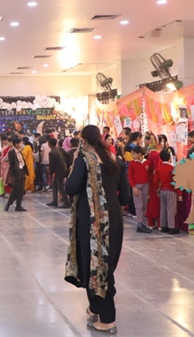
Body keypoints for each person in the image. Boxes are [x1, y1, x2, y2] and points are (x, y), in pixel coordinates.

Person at [65, 125, 129, 333]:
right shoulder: (116, 160)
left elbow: (70, 188)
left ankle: (108, 319)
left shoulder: (84, 160)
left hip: (91, 221)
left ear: (83, 141)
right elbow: (125, 197)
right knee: (104, 264)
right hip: (114, 220)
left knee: (94, 264)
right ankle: (95, 308)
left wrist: (75, 163)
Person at [128, 146, 152, 233]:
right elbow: (130, 175)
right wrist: (133, 186)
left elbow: (150, 174)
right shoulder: (132, 163)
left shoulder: (148, 162)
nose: (132, 156)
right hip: (137, 186)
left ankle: (141, 223)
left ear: (139, 154)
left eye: (134, 154)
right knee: (139, 205)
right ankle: (139, 224)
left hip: (146, 185)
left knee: (144, 204)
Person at [155, 150, 179, 234]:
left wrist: (157, 189)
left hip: (162, 190)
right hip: (171, 190)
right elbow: (176, 181)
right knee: (171, 209)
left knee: (163, 209)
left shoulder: (159, 168)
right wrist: (179, 193)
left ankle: (163, 226)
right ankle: (171, 227)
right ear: (170, 158)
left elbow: (155, 181)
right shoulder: (172, 168)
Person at [5, 137, 28, 212]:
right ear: (16, 144)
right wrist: (15, 172)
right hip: (16, 172)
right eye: (20, 143)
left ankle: (18, 205)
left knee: (21, 190)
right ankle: (9, 203)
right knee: (15, 189)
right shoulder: (11, 152)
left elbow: (22, 161)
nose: (21, 145)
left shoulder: (20, 151)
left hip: (22, 171)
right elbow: (12, 164)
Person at [47, 138, 70, 209]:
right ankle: (54, 200)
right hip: (63, 169)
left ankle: (66, 202)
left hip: (57, 171)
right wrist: (67, 164)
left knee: (60, 186)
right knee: (54, 185)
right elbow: (68, 156)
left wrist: (51, 173)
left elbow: (52, 164)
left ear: (50, 144)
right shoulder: (60, 149)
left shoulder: (52, 153)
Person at [146, 134, 162, 229]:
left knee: (151, 201)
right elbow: (157, 169)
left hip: (151, 181)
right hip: (156, 181)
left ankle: (151, 223)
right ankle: (159, 223)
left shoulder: (150, 154)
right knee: (157, 202)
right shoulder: (156, 154)